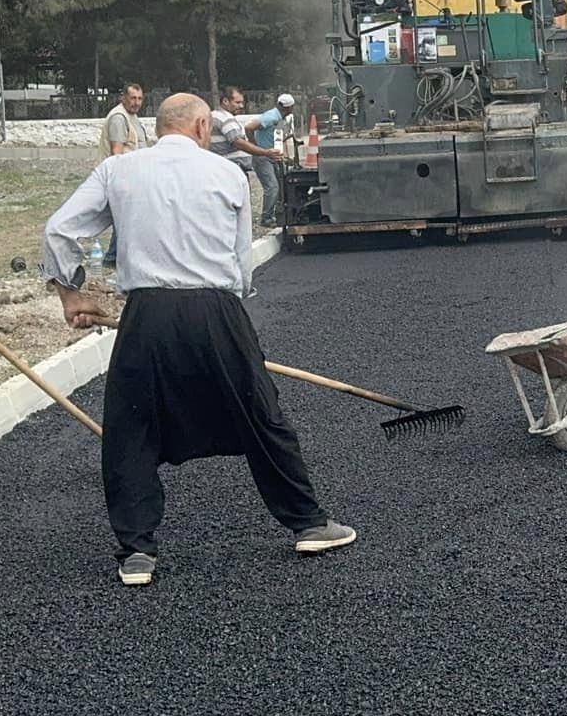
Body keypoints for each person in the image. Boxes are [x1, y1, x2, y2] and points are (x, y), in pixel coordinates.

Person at [43, 93, 356, 586]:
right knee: (261, 414)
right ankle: (310, 524)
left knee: (131, 427)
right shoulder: (229, 174)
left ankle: (136, 554)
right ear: (202, 125)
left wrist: (70, 294)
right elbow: (240, 264)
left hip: (147, 314)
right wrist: (233, 326)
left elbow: (59, 230)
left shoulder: (117, 171)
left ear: (160, 125)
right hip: (216, 309)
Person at [210, 87, 285, 225]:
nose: (241, 106)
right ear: (225, 101)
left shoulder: (217, 116)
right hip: (231, 170)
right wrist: (264, 152)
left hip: (226, 169)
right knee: (241, 203)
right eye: (237, 102)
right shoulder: (225, 119)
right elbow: (238, 142)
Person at [98, 84, 152, 267]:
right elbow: (117, 152)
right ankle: (112, 259)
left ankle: (116, 258)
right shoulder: (119, 118)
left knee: (127, 219)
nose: (136, 103)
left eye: (139, 98)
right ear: (124, 98)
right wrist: (122, 180)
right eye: (133, 98)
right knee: (125, 219)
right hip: (124, 177)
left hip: (135, 176)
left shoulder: (131, 117)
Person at [248, 93, 298, 227]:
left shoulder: (279, 118)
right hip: (263, 157)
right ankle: (266, 218)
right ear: (288, 108)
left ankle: (278, 215)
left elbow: (276, 138)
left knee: (280, 185)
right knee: (272, 187)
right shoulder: (271, 116)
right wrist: (255, 147)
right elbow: (249, 127)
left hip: (271, 156)